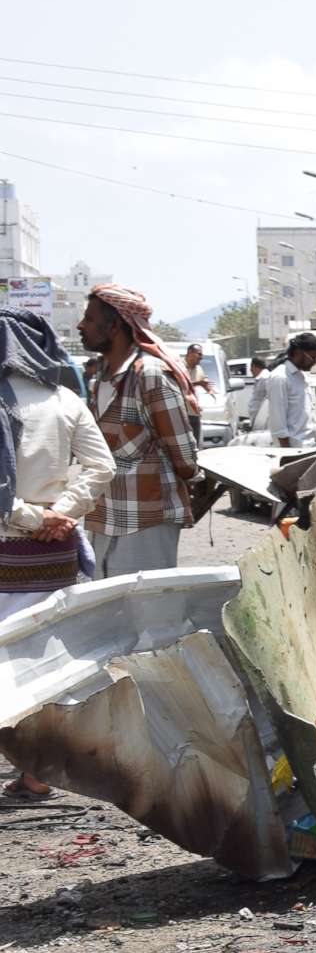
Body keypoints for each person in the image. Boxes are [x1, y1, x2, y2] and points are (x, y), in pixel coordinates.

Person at [1, 309, 113, 803]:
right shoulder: (66, 399)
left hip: (9, 547)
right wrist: (61, 514)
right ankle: (37, 773)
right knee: (47, 662)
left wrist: (28, 517)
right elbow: (101, 466)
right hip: (55, 552)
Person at [77, 284, 200, 576]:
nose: (81, 326)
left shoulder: (150, 376)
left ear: (116, 325)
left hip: (147, 522)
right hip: (105, 517)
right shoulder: (100, 382)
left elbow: (185, 458)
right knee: (109, 614)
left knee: (150, 615)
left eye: (90, 319)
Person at [241, 333, 316, 447]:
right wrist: (287, 454)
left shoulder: (302, 377)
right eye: (312, 357)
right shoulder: (280, 377)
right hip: (294, 451)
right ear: (298, 353)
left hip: (310, 446)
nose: (314, 362)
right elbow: (278, 423)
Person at [178, 341, 220, 440]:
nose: (201, 357)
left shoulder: (199, 369)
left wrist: (209, 389)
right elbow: (179, 386)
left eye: (202, 354)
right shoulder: (179, 367)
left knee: (195, 441)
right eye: (199, 354)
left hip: (194, 411)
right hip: (180, 412)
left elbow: (204, 381)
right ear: (190, 353)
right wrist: (198, 383)